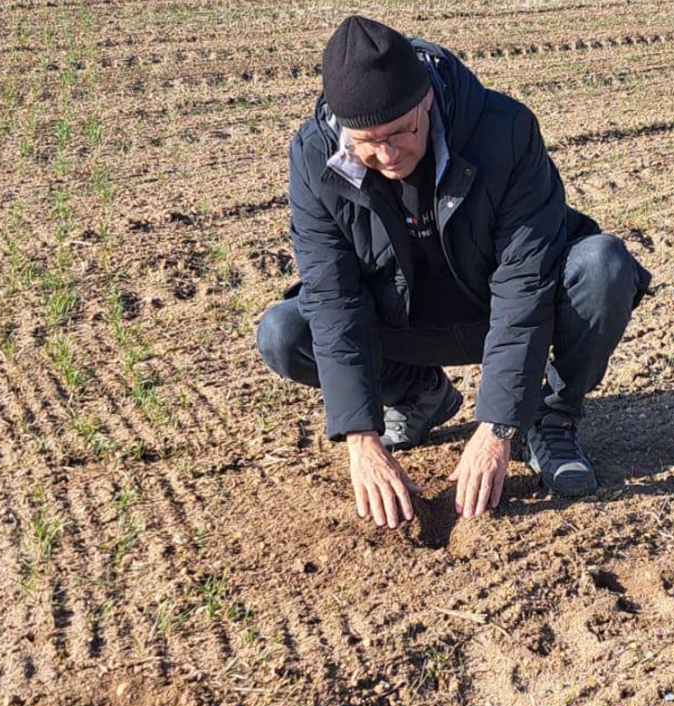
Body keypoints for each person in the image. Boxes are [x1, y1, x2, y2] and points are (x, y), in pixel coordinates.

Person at [257, 15, 651, 529]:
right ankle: (419, 395)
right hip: (404, 325)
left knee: (603, 267)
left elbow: (524, 286)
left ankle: (548, 418)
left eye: (401, 131)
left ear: (426, 100)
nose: (386, 153)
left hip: (495, 310)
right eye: (365, 142)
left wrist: (497, 428)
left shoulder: (504, 132)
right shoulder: (314, 158)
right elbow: (334, 299)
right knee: (285, 332)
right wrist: (360, 439)